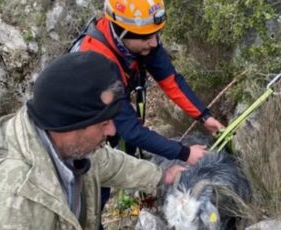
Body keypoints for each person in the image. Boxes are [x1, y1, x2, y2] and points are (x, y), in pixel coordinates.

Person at [0, 52, 184, 229]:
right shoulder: (3, 207)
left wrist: (163, 176)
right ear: (68, 126)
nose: (112, 130)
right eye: (103, 123)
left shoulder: (69, 145)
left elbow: (108, 163)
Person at [70, 0, 225, 165]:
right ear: (121, 31)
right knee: (97, 174)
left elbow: (170, 80)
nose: (154, 43)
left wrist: (204, 116)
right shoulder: (97, 63)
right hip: (76, 134)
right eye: (146, 37)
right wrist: (185, 153)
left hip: (111, 108)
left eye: (156, 33)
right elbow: (131, 130)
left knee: (125, 149)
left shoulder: (140, 39)